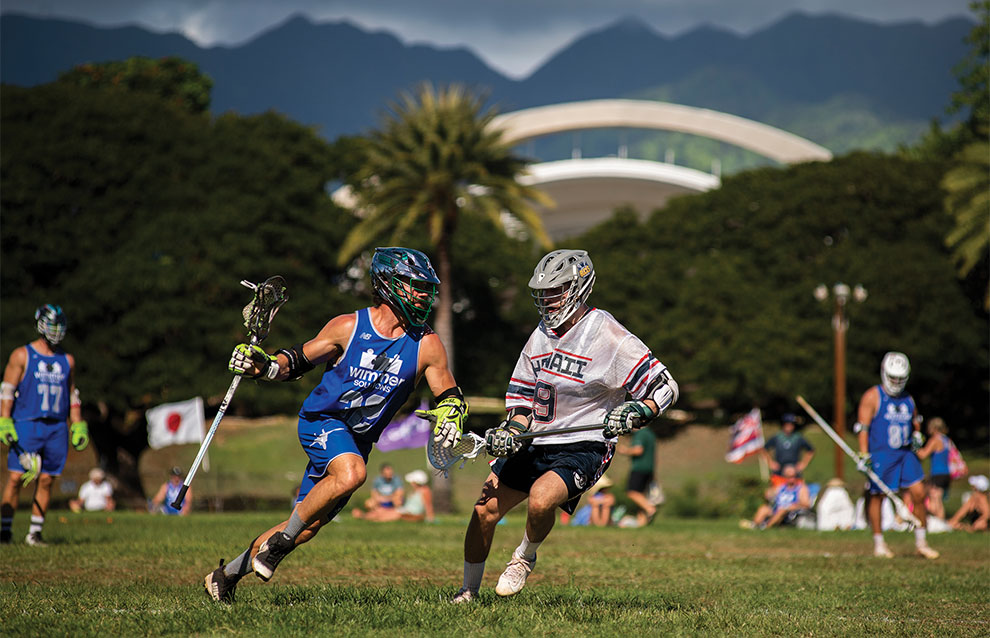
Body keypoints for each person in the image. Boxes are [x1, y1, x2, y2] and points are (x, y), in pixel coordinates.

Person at [204, 247, 467, 603]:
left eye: (426, 288)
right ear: (388, 284)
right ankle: (277, 547)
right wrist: (262, 366)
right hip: (321, 422)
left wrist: (451, 411)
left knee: (307, 524)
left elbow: (447, 391)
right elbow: (294, 361)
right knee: (352, 474)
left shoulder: (428, 344)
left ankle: (226, 576)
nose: (423, 295)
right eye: (415, 286)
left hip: (357, 442)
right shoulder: (349, 326)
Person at [452, 249, 678, 602]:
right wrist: (512, 430)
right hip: (537, 439)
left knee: (541, 500)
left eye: (556, 289)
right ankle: (467, 592)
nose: (548, 299)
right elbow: (524, 399)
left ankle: (524, 557)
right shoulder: (540, 334)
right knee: (484, 510)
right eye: (544, 292)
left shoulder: (608, 335)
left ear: (579, 287)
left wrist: (639, 411)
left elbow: (665, 387)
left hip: (584, 444)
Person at [1, 305, 89, 546]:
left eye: (60, 326)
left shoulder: (67, 360)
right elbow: (7, 389)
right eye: (52, 325)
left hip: (56, 427)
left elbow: (72, 395)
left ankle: (35, 533)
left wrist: (78, 424)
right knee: (17, 477)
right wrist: (5, 420)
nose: (56, 331)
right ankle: (5, 532)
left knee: (48, 479)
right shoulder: (22, 355)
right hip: (27, 423)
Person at [854, 351, 939, 559]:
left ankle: (921, 542)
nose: (896, 382)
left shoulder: (908, 398)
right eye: (893, 377)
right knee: (878, 497)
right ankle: (879, 543)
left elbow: (915, 420)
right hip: (882, 454)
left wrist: (917, 435)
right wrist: (864, 454)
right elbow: (863, 427)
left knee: (919, 493)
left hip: (905, 453)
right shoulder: (873, 396)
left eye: (900, 378)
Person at [742, 465, 811, 529]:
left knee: (782, 510)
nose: (792, 479)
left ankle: (767, 527)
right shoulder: (781, 487)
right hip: (776, 509)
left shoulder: (801, 488)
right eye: (789, 476)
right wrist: (769, 493)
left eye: (794, 476)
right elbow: (769, 494)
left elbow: (806, 504)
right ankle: (755, 525)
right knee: (764, 508)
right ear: (785, 477)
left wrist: (791, 506)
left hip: (789, 512)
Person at [616, 426, 659, 526]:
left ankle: (650, 509)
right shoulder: (650, 433)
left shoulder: (641, 434)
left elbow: (638, 450)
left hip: (640, 468)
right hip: (649, 468)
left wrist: (625, 451)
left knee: (632, 492)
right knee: (641, 494)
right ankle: (642, 521)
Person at [353, 469, 435, 523]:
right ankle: (364, 516)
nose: (411, 483)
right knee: (381, 510)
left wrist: (430, 518)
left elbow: (428, 505)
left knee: (391, 514)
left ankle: (366, 517)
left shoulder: (425, 490)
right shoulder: (414, 491)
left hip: (412, 513)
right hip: (405, 510)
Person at [761, 413, 814, 487]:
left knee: (798, 492)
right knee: (776, 492)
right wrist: (770, 463)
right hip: (779, 471)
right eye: (787, 423)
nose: (789, 426)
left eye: (791, 424)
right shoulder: (777, 437)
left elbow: (810, 450)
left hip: (794, 472)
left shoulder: (798, 437)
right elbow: (764, 449)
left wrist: (803, 464)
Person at [915, 416, 951, 515]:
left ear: (933, 428)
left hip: (938, 472)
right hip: (946, 473)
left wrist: (914, 447)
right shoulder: (946, 440)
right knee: (938, 499)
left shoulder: (935, 439)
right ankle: (940, 522)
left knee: (935, 499)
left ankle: (939, 522)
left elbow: (923, 455)